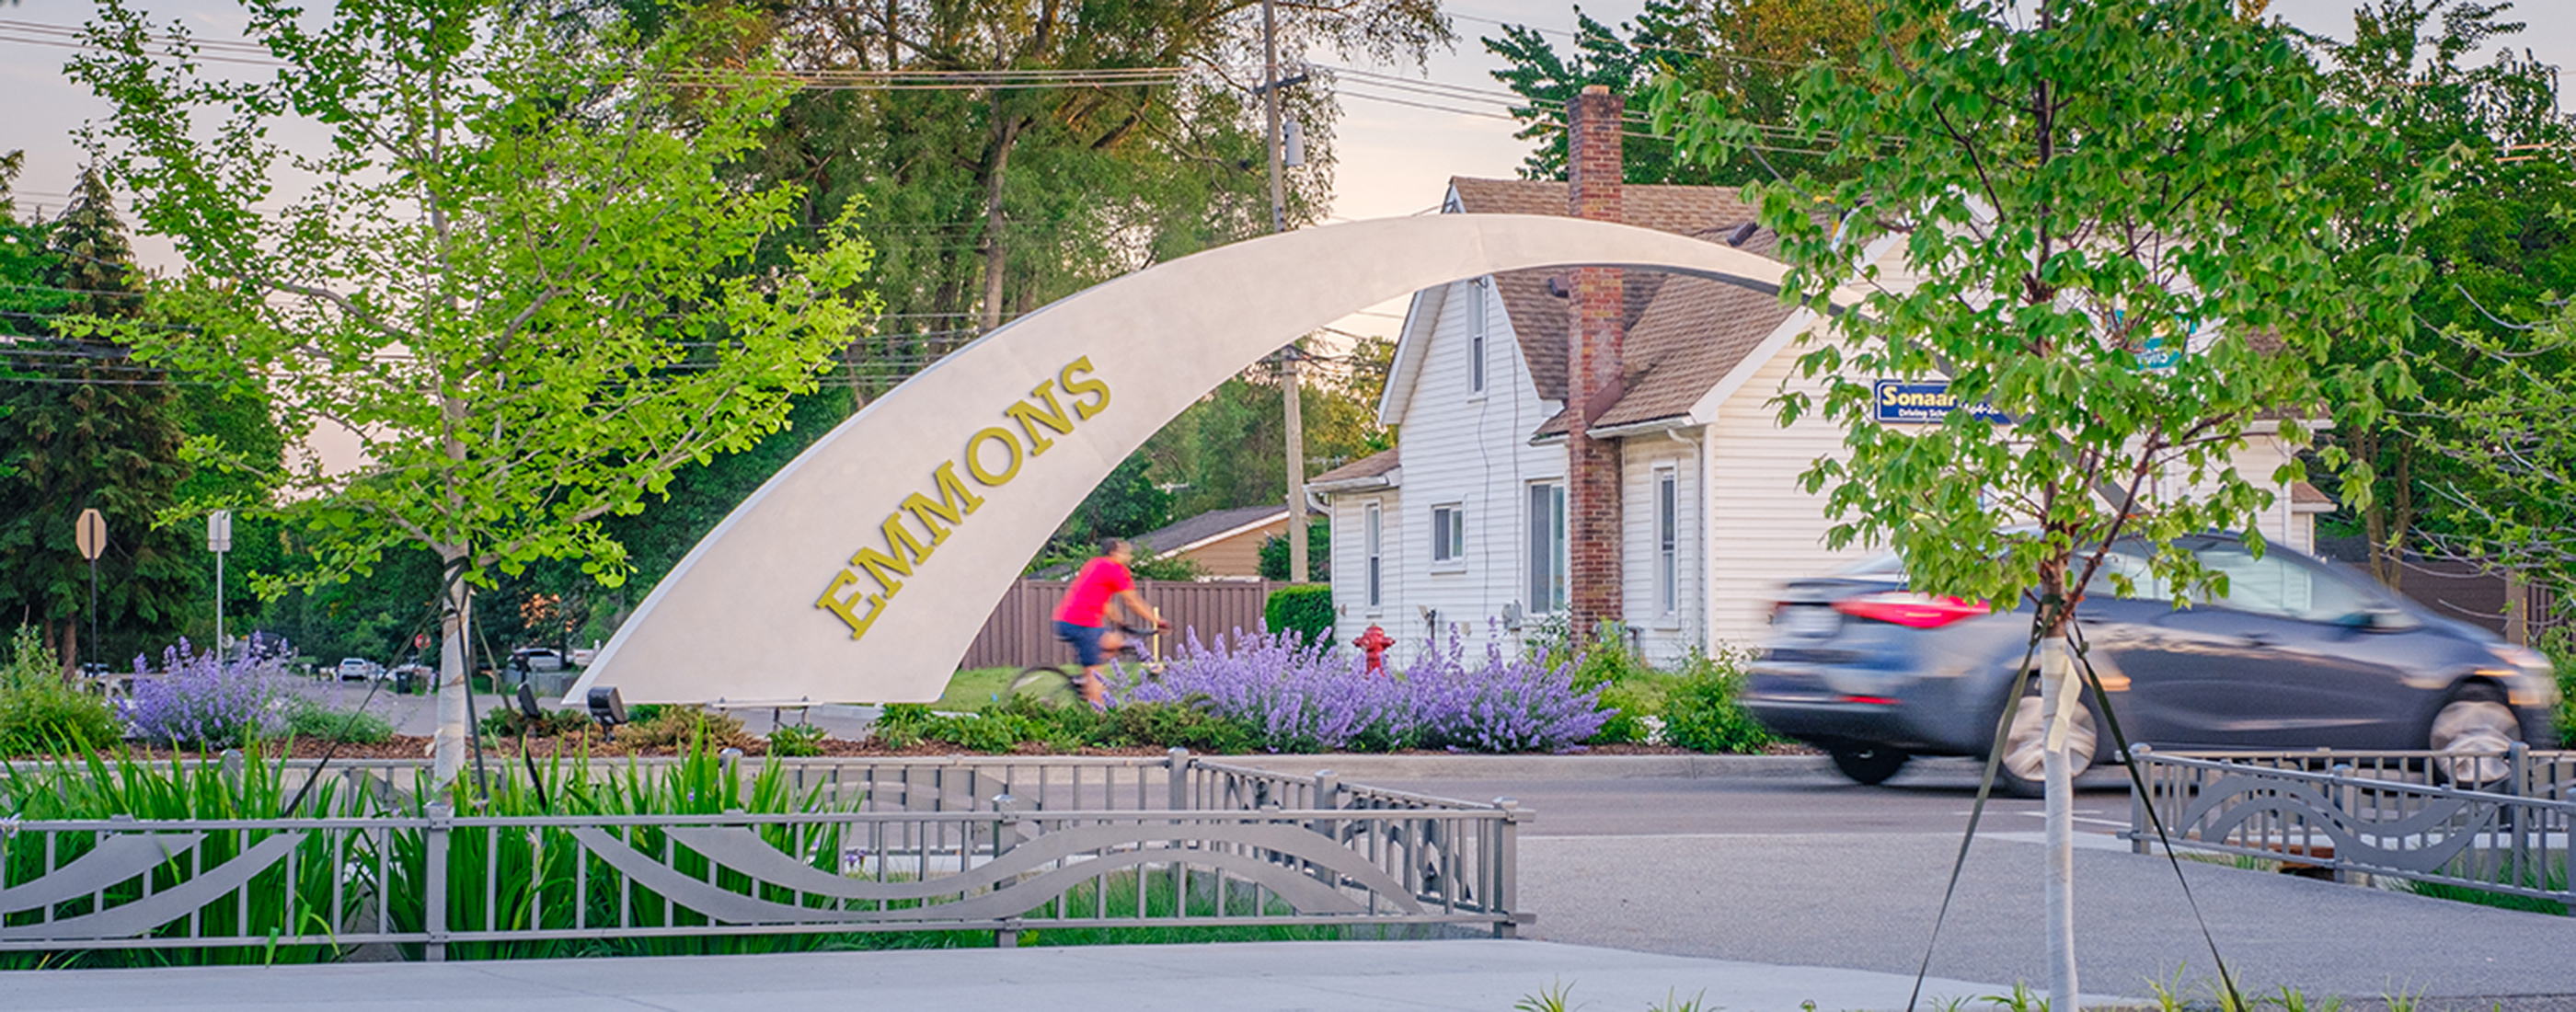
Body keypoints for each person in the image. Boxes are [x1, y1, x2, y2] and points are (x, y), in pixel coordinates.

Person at [1052, 538, 1167, 708]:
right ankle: (1097, 714)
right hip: (1084, 624)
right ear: (1114, 553)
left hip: (1064, 620)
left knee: (1115, 641)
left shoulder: (1094, 564)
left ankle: (1083, 680)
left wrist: (1120, 622)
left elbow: (1102, 600)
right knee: (1096, 674)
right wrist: (1157, 621)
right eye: (1125, 553)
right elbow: (1132, 601)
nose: (1129, 557)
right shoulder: (1115, 570)